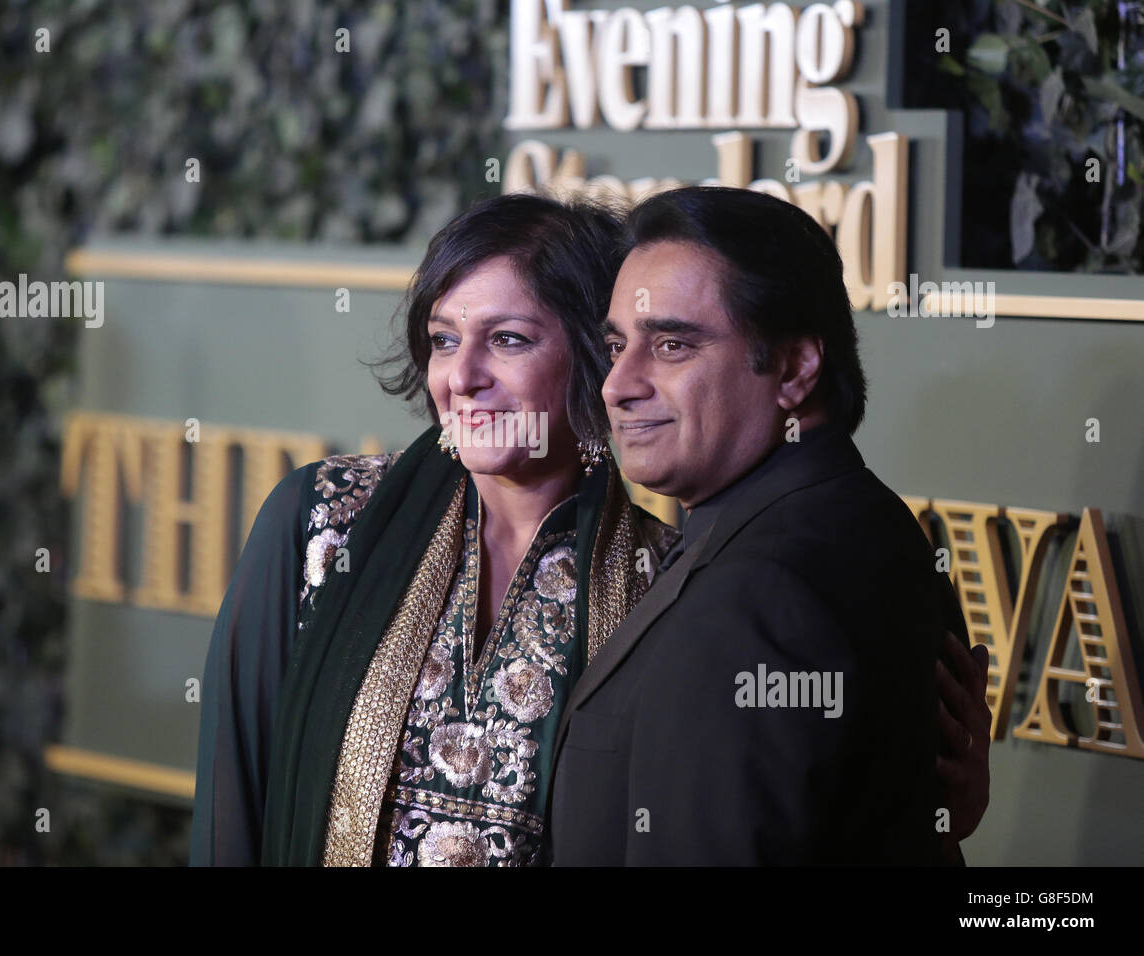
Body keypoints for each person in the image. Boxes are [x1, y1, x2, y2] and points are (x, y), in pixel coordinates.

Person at [190, 192, 991, 867]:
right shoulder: (323, 524)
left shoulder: (668, 576)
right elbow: (236, 811)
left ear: (583, 359)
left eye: (507, 339)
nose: (461, 375)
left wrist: (914, 810)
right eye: (442, 339)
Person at [548, 185, 988, 866]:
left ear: (793, 368)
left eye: (670, 345)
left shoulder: (757, 599)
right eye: (616, 347)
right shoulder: (867, 522)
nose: (618, 384)